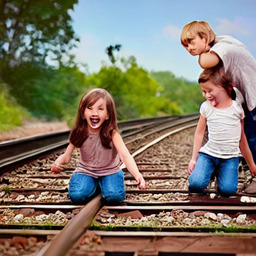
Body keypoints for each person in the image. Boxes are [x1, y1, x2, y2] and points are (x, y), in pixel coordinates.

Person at [51, 88, 146, 205]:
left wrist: (137, 175)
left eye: (100, 109)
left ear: (107, 115)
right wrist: (57, 164)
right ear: (82, 113)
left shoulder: (112, 133)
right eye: (89, 108)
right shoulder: (80, 132)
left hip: (110, 171)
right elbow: (66, 156)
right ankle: (95, 185)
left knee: (114, 197)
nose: (94, 113)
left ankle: (104, 184)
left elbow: (125, 156)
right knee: (77, 196)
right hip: (86, 171)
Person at [180, 20, 256, 165]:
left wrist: (202, 52)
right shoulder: (223, 43)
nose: (189, 48)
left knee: (252, 136)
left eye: (191, 42)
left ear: (205, 38)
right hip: (249, 95)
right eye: (185, 45)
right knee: (248, 133)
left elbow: (204, 63)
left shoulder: (221, 49)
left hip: (254, 94)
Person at [187, 66, 256, 196]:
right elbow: (199, 133)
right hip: (209, 155)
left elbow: (242, 139)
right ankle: (207, 172)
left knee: (227, 191)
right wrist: (193, 159)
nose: (206, 95)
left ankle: (219, 173)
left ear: (226, 88)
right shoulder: (206, 107)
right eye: (203, 91)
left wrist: (252, 165)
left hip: (229, 158)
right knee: (195, 185)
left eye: (210, 91)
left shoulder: (237, 109)